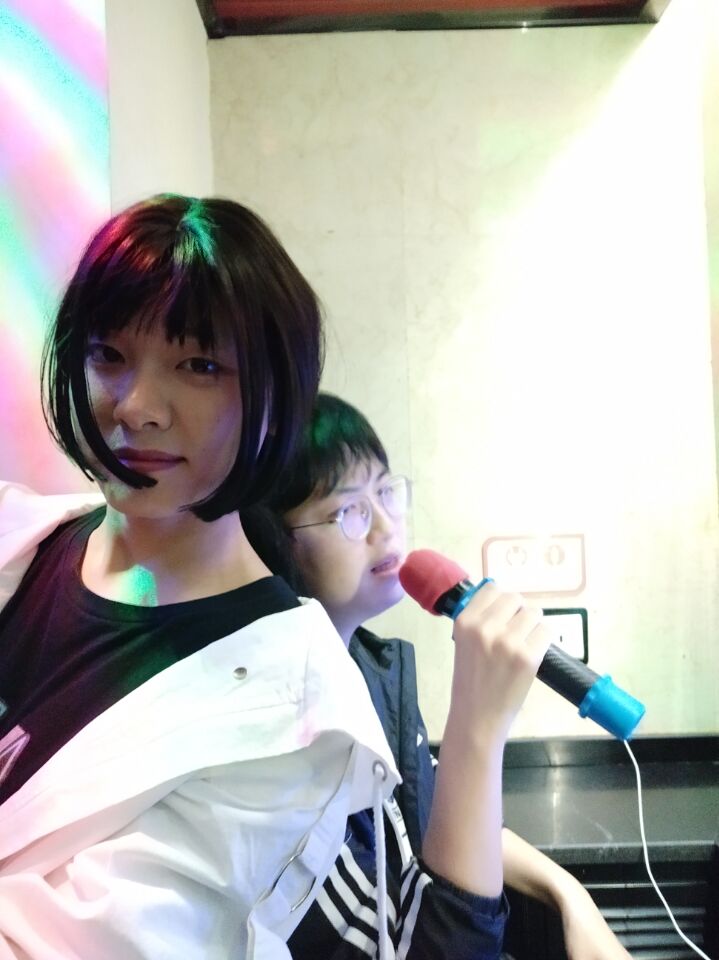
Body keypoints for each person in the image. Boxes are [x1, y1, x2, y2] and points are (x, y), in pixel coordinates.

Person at [0, 197, 402, 960]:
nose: (136, 408)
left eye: (199, 365)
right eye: (107, 354)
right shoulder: (20, 539)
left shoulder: (292, 708)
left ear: (275, 396)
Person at [261, 392, 633, 960]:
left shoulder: (372, 671)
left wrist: (569, 894)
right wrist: (477, 729)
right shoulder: (286, 740)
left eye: (386, 492)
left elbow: (438, 817)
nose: (386, 526)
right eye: (350, 510)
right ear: (275, 541)